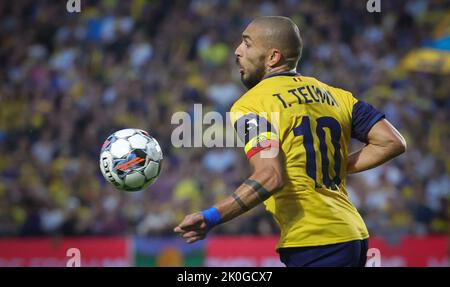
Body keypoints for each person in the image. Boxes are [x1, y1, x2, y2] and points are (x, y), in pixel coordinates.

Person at [174, 16, 406, 267]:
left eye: (247, 44)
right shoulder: (337, 95)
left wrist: (210, 217)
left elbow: (270, 177)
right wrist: (329, 164)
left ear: (273, 57)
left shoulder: (252, 104)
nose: (237, 51)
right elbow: (391, 141)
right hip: (353, 235)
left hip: (316, 242)